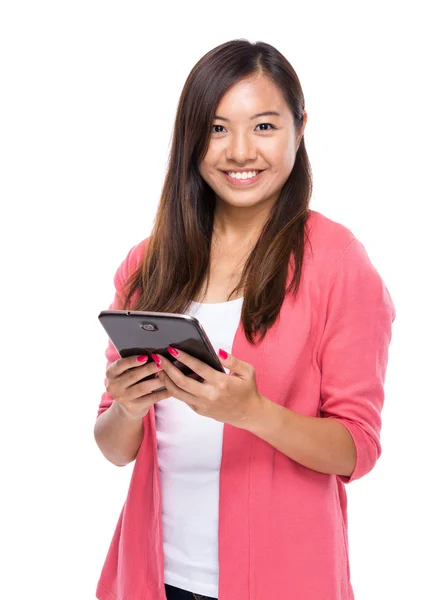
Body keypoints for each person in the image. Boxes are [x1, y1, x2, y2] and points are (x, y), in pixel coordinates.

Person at [93, 39, 396, 600]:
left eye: (263, 127)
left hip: (285, 580)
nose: (238, 152)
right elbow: (113, 446)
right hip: (153, 576)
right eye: (215, 128)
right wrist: (129, 406)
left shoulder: (337, 263)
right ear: (191, 139)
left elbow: (357, 449)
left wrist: (252, 413)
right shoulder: (148, 263)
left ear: (299, 130)